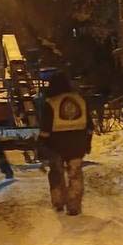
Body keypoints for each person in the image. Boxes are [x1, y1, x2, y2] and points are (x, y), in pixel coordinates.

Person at [37, 71, 91, 214]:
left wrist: (41, 145)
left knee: (56, 173)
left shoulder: (51, 103)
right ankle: (74, 206)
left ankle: (58, 202)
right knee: (75, 175)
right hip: (77, 145)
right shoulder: (80, 100)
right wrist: (87, 143)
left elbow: (45, 129)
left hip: (56, 147)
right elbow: (89, 126)